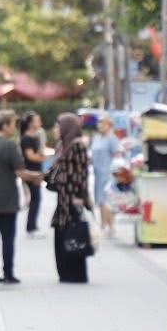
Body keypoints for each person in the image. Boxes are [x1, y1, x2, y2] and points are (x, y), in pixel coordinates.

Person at [0, 115, 41, 283]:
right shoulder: (10, 146)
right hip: (7, 200)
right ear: (4, 126)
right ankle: (8, 273)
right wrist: (39, 176)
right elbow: (20, 172)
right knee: (7, 238)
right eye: (12, 125)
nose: (14, 129)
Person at [47, 112, 93, 283]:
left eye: (58, 126)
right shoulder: (62, 145)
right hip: (62, 199)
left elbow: (82, 173)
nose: (55, 129)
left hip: (73, 198)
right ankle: (64, 273)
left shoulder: (77, 145)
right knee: (61, 236)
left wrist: (81, 196)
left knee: (74, 235)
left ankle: (76, 274)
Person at [90, 116, 121, 237]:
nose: (100, 126)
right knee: (100, 200)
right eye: (99, 123)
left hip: (108, 172)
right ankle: (103, 224)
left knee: (107, 200)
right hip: (97, 173)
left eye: (103, 123)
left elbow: (117, 154)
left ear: (109, 125)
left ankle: (110, 226)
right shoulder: (97, 138)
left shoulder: (112, 138)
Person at [19, 111, 45, 238]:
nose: (39, 122)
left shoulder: (36, 136)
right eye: (37, 120)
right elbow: (30, 156)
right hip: (31, 171)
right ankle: (31, 227)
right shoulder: (26, 138)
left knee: (36, 199)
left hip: (36, 171)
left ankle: (33, 225)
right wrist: (42, 158)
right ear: (30, 123)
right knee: (35, 199)